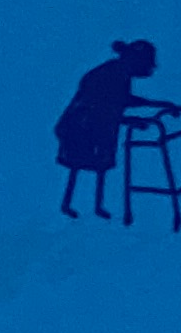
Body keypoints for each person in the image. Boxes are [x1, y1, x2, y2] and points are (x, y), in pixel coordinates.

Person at [55, 36, 158, 218]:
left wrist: (153, 104)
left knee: (101, 164)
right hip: (82, 125)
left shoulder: (122, 73)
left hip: (100, 127)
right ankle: (67, 204)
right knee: (78, 162)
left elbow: (122, 100)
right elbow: (104, 106)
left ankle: (98, 206)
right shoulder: (110, 73)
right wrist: (131, 120)